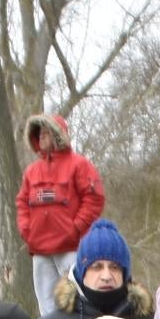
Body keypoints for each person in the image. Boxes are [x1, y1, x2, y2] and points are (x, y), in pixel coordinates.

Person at [34, 219, 140, 319]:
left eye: (114, 267)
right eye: (96, 267)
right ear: (81, 273)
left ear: (125, 273)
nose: (106, 276)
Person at [16, 112, 104, 300]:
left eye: (46, 132)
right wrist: (26, 231)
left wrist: (75, 228)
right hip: (40, 251)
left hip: (70, 249)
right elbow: (22, 202)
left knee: (78, 301)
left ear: (57, 135)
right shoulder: (32, 171)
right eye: (38, 133)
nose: (41, 136)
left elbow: (94, 199)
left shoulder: (79, 165)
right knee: (46, 306)